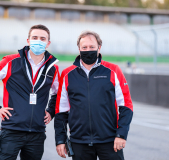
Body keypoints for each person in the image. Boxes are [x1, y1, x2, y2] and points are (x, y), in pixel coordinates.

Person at [0, 24, 59, 160]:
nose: (38, 41)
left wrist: (51, 111)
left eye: (42, 38)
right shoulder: (10, 61)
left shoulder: (53, 68)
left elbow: (57, 93)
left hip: (37, 133)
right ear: (28, 41)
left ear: (48, 43)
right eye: (35, 37)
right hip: (11, 131)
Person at [54, 31, 133, 160]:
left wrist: (121, 134)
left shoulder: (113, 71)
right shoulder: (67, 74)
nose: (88, 50)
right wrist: (60, 140)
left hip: (110, 141)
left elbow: (126, 106)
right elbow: (61, 111)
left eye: (91, 47)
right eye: (84, 47)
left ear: (99, 47)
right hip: (79, 142)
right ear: (79, 49)